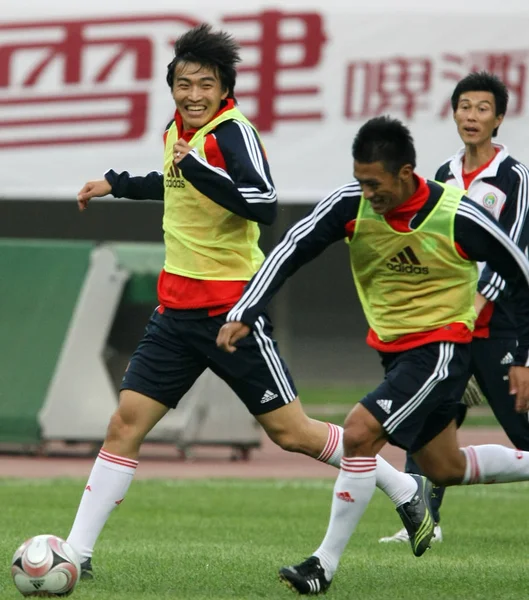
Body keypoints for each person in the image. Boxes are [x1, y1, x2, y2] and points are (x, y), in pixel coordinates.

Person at [67, 25, 429, 581]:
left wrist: (195, 168)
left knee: (292, 433)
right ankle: (77, 555)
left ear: (224, 89)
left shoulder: (232, 133)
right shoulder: (178, 132)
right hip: (175, 312)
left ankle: (403, 485)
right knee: (125, 425)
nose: (192, 95)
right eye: (183, 84)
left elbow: (261, 202)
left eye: (204, 85)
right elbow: (175, 184)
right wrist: (116, 184)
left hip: (230, 313)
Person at [216, 115, 529, 595]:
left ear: (406, 173)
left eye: (375, 182)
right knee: (445, 466)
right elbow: (292, 248)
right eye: (360, 180)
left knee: (360, 433)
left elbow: (521, 275)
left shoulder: (458, 215)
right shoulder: (351, 205)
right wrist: (246, 307)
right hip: (396, 353)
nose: (366, 192)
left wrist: (522, 357)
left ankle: (323, 565)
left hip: (442, 352)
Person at [379, 72, 529, 546]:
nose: (471, 116)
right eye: (465, 106)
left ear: (499, 118)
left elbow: (518, 250)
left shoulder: (514, 177)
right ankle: (424, 524)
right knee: (429, 419)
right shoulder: (442, 176)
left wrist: (484, 298)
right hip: (449, 327)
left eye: (482, 108)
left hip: (499, 326)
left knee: (521, 426)